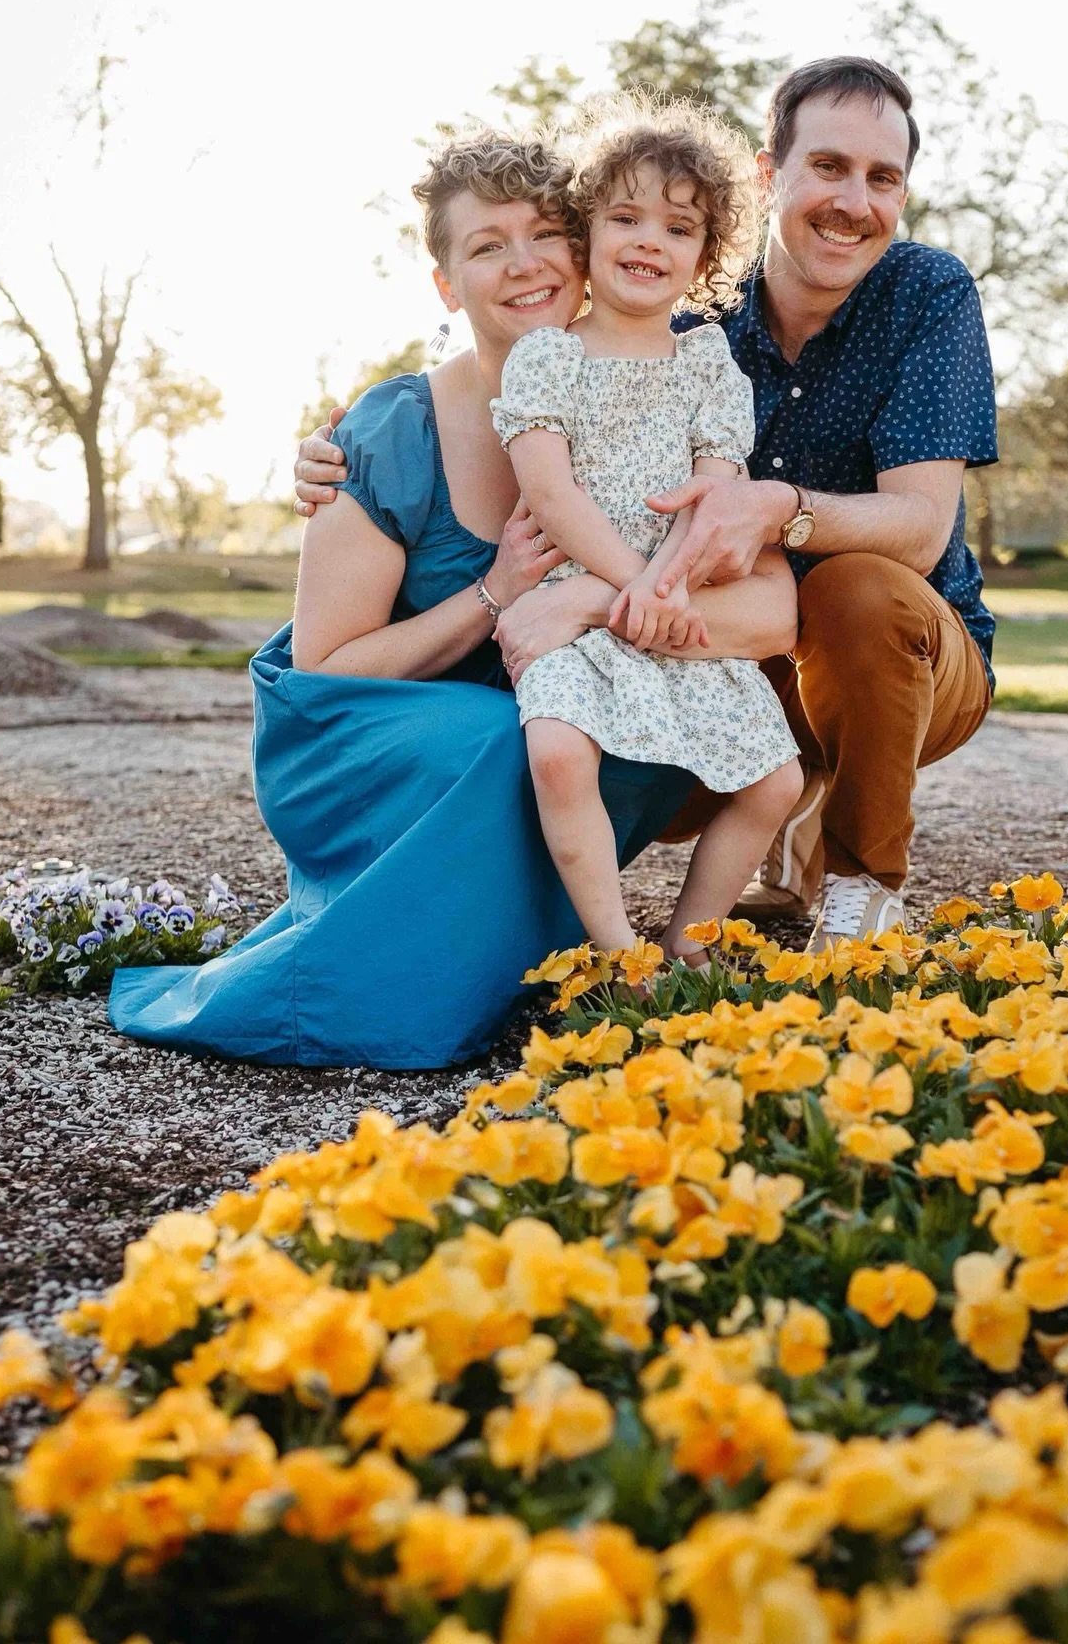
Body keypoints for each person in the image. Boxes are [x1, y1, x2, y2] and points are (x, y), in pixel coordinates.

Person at [108, 133, 797, 1068]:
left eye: (545, 233)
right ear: (446, 285)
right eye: (485, 246)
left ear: (583, 244)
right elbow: (326, 670)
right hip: (364, 732)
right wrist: (497, 591)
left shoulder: (650, 394)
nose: (523, 264)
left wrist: (593, 598)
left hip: (530, 708)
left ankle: (571, 953)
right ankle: (403, 986)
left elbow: (772, 614)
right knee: (512, 740)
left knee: (605, 724)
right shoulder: (387, 433)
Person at [296, 57, 999, 953]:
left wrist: (763, 512)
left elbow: (922, 527)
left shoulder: (922, 294)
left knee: (854, 592)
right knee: (626, 740)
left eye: (882, 178)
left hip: (882, 653)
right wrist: (346, 452)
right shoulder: (695, 306)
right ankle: (658, 924)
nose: (853, 200)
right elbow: (507, 363)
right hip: (719, 628)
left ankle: (860, 880)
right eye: (827, 166)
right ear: (767, 172)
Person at [491, 101, 802, 961]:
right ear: (587, 230)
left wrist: (662, 586)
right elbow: (550, 494)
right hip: (587, 605)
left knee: (774, 781)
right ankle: (616, 946)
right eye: (625, 217)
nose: (647, 241)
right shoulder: (549, 354)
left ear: (705, 256)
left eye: (677, 226)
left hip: (675, 599)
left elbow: (716, 490)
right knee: (558, 755)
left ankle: (685, 944)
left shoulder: (707, 359)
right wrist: (637, 586)